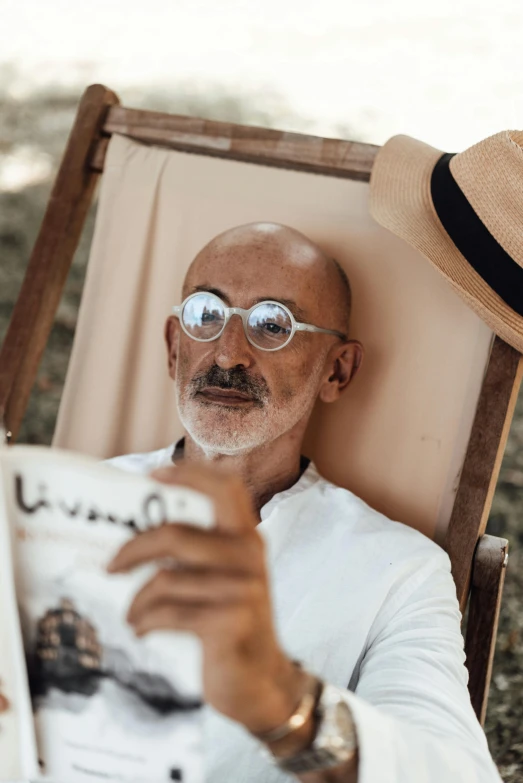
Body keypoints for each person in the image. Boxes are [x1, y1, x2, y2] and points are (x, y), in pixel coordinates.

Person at [106, 221, 501, 782]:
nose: (229, 353)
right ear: (174, 347)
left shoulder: (397, 573)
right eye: (205, 315)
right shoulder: (47, 506)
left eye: (273, 324)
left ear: (337, 371)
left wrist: (283, 703)